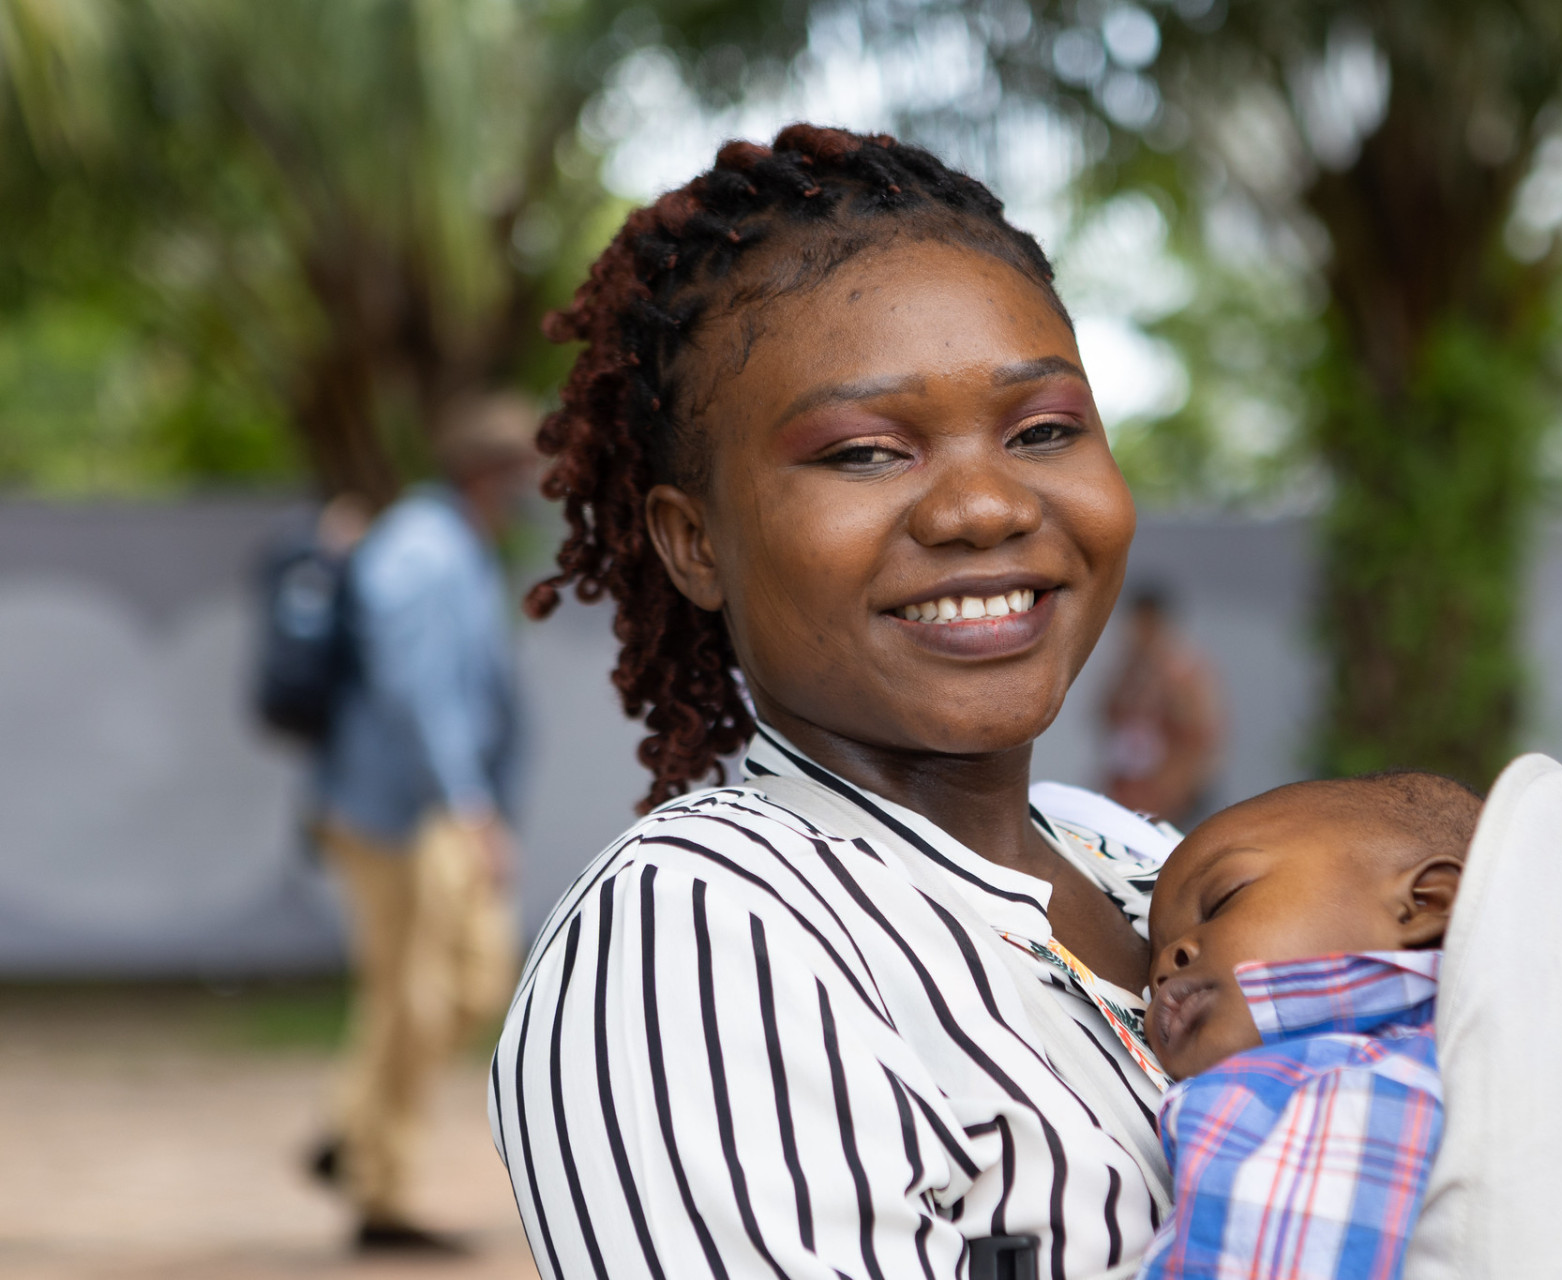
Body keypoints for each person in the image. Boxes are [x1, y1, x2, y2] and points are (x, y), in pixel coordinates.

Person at [494, 126, 1172, 1280]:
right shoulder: (703, 941)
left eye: (1043, 429)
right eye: (865, 452)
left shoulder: (1148, 860)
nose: (983, 506)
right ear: (695, 541)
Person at [309, 392, 537, 1252]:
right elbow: (415, 689)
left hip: (429, 809)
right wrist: (468, 804)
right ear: (489, 473)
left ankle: (354, 1129)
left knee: (469, 981)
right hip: (399, 812)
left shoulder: (460, 548)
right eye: (524, 472)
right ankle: (381, 1194)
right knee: (412, 994)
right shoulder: (421, 548)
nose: (535, 491)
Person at [1140, 772, 1480, 1280]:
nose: (1169, 961)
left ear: (1425, 903)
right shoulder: (1482, 1056)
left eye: (1222, 899)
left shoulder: (1328, 1091)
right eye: (1151, 969)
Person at [1102, 589, 1224, 827]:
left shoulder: (1184, 674)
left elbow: (1198, 738)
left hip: (1172, 798)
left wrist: (1172, 792)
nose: (1136, 634)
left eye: (1143, 626)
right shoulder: (1128, 670)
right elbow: (1108, 717)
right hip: (1132, 791)